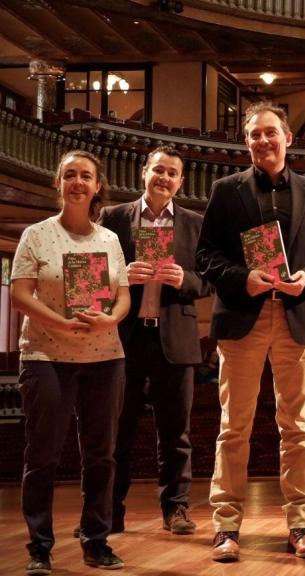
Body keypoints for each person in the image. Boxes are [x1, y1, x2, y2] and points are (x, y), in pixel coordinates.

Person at [195, 101, 305, 562]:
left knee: (297, 429)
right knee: (232, 428)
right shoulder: (225, 190)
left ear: (288, 137)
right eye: (254, 134)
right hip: (243, 317)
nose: (263, 140)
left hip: (296, 319)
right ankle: (226, 527)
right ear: (246, 142)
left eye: (270, 132)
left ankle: (301, 524)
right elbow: (205, 257)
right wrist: (244, 278)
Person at [12, 150, 131, 572]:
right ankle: (40, 546)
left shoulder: (109, 239)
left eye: (86, 176)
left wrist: (110, 319)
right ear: (58, 184)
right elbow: (20, 293)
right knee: (42, 454)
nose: (78, 182)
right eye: (70, 176)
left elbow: (123, 296)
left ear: (98, 186)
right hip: (46, 355)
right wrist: (60, 323)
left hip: (105, 357)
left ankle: (96, 540)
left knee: (102, 455)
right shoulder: (36, 234)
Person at [98, 145, 213, 537]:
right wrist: (119, 276)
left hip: (175, 340)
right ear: (143, 172)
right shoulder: (113, 218)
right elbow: (95, 277)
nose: (164, 178)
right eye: (158, 170)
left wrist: (187, 281)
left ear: (181, 182)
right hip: (124, 339)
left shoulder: (196, 224)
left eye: (172, 173)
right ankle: (111, 511)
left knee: (176, 434)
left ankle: (176, 509)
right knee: (118, 432)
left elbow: (211, 279)